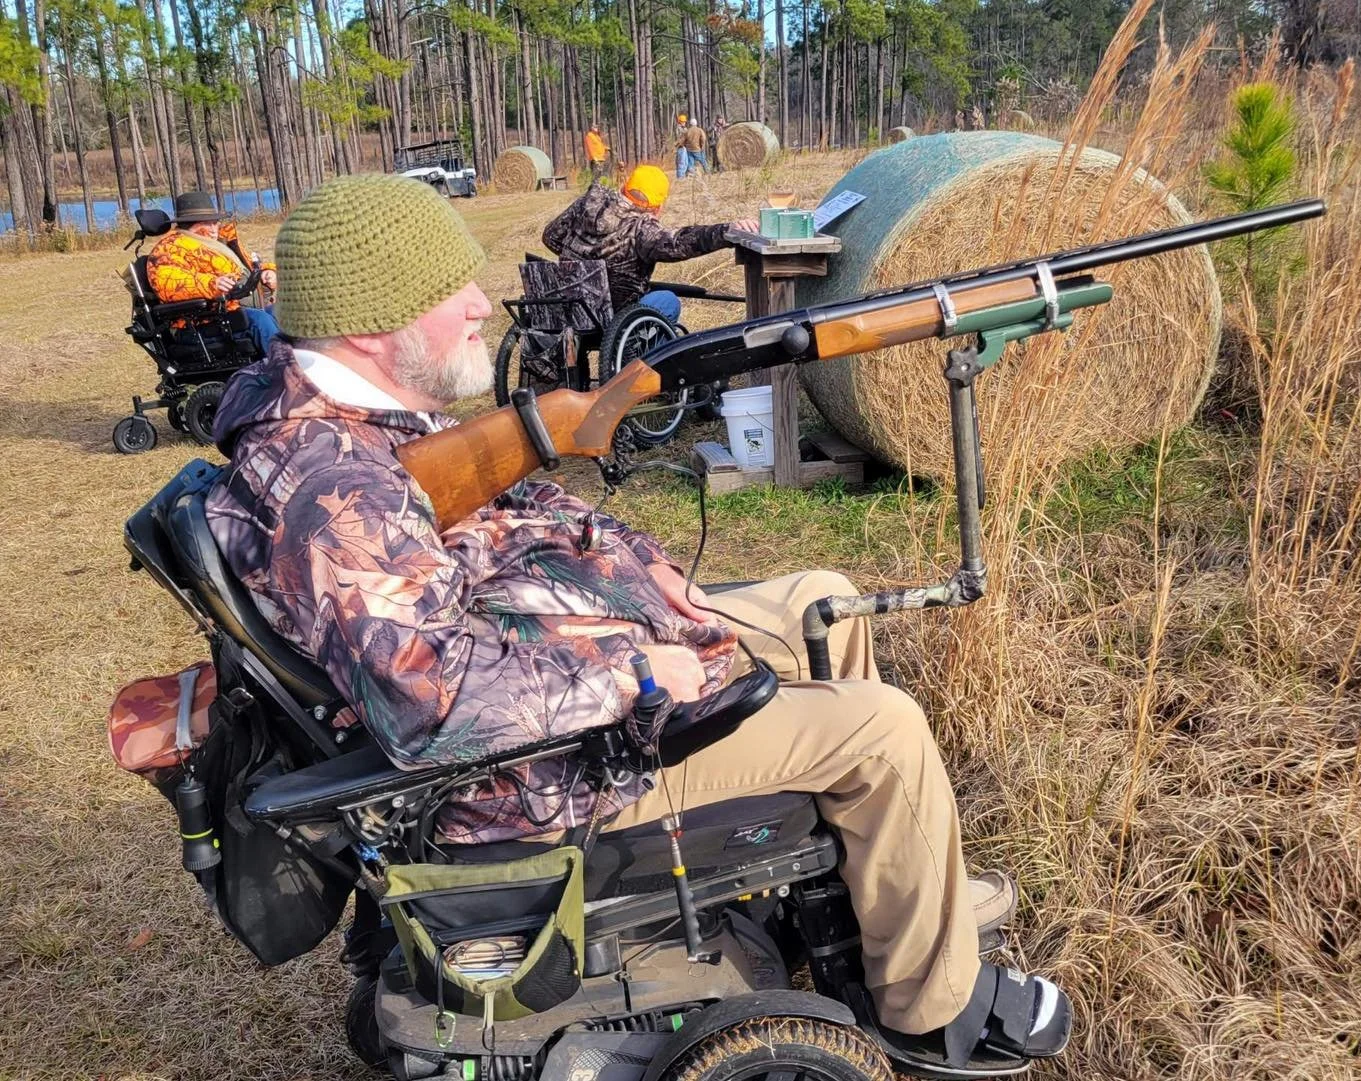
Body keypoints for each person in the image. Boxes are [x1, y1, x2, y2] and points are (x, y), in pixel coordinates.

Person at [204, 172, 1072, 1071]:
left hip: (548, 660)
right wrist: (637, 671)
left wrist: (641, 564)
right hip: (535, 776)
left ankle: (879, 903)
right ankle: (933, 1006)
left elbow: (517, 498)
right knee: (882, 730)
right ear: (368, 326)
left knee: (819, 593)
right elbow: (434, 704)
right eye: (445, 291)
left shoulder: (352, 417)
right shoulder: (331, 487)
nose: (478, 303)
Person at [540, 164, 755, 324]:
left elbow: (550, 237)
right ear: (657, 207)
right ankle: (645, 371)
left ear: (624, 187)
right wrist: (727, 231)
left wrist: (583, 260)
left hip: (567, 310)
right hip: (614, 317)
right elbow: (679, 243)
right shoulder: (641, 228)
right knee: (668, 302)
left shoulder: (585, 204)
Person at [147, 191, 279, 356]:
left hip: (235, 309)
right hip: (200, 322)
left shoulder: (219, 242)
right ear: (189, 225)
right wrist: (212, 284)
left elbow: (248, 265)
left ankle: (308, 363)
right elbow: (168, 284)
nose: (213, 229)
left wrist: (267, 271)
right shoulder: (169, 249)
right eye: (206, 224)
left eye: (215, 222)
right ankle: (289, 373)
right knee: (260, 321)